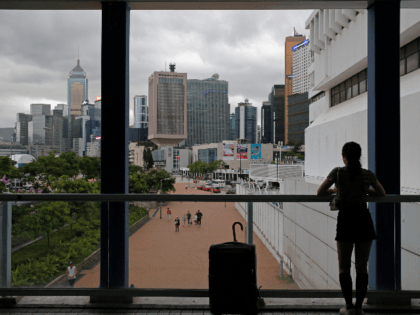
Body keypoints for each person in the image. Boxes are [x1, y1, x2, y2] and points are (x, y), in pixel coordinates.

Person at [317, 142, 386, 315]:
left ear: (344, 156)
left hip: (346, 220)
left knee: (344, 266)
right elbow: (381, 193)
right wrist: (364, 191)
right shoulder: (367, 174)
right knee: (362, 267)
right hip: (363, 219)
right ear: (360, 155)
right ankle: (359, 307)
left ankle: (348, 306)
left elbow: (320, 191)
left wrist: (336, 191)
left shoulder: (337, 172)